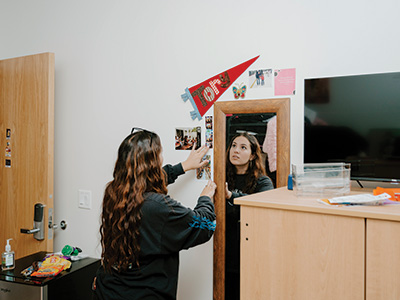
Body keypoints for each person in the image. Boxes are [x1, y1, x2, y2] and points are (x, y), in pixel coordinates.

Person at [93, 128, 217, 300]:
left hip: (107, 290)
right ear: (152, 163)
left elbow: (142, 183)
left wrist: (183, 167)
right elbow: (206, 225)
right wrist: (205, 199)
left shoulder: (114, 191)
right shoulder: (158, 207)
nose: (162, 158)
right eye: (160, 154)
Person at [225, 132, 274, 300]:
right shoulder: (221, 177)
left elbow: (261, 207)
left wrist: (230, 196)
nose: (235, 151)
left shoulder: (263, 182)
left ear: (253, 155)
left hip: (251, 251)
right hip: (224, 250)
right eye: (233, 146)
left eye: (243, 147)